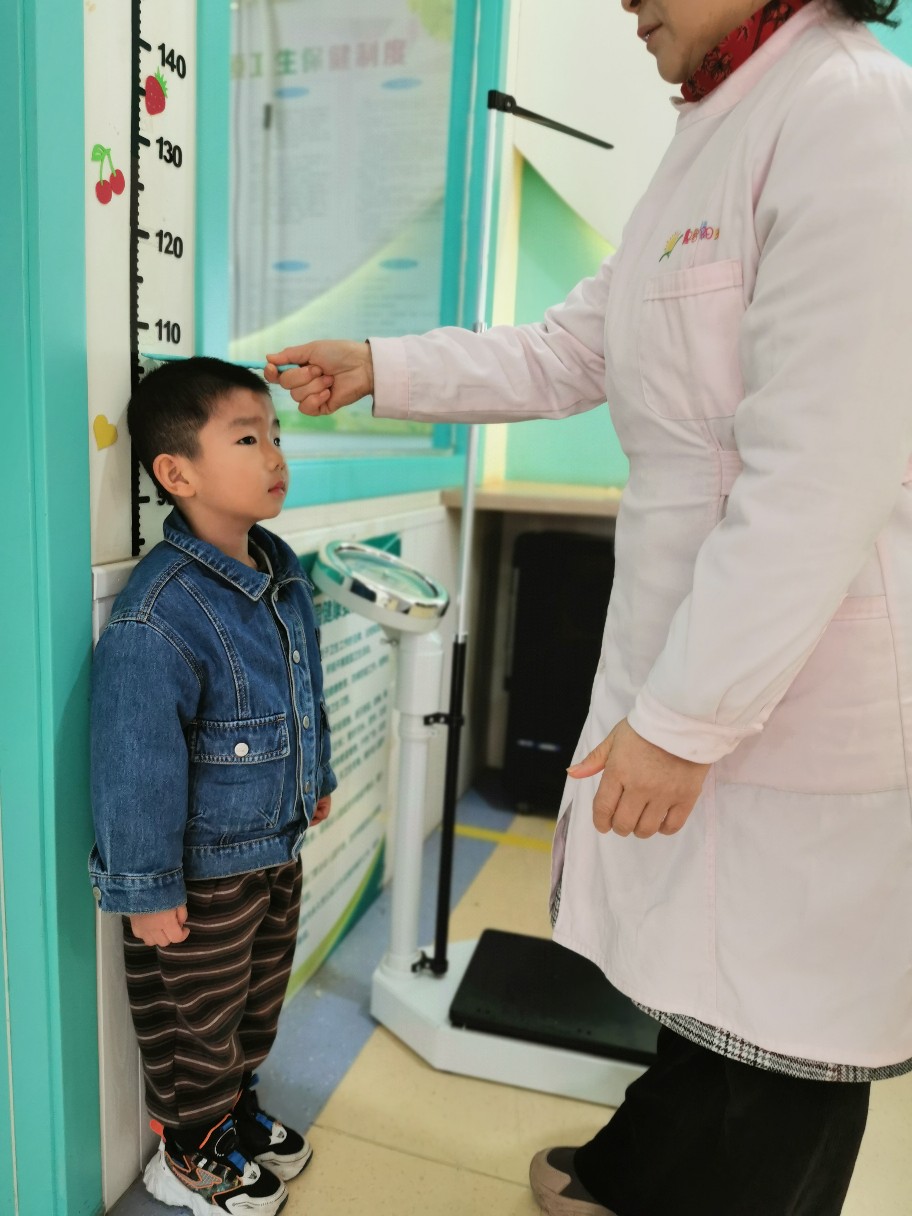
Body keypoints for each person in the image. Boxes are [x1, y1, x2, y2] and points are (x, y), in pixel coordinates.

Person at [265, 1, 912, 1211]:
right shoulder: (713, 124)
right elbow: (572, 348)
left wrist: (689, 716)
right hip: (701, 636)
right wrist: (383, 367)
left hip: (800, 674)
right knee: (701, 981)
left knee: (787, 1022)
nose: (623, 0)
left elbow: (822, 474)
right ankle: (639, 1174)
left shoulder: (853, 111)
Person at [89, 357, 336, 1216]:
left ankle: (232, 1112)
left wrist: (315, 778)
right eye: (247, 438)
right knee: (197, 1021)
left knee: (256, 1004)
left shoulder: (279, 570)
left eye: (276, 435)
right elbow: (134, 765)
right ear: (177, 472)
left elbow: (301, 690)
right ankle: (189, 1151)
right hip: (201, 874)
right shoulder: (157, 615)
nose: (274, 455)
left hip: (274, 847)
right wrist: (148, 889)